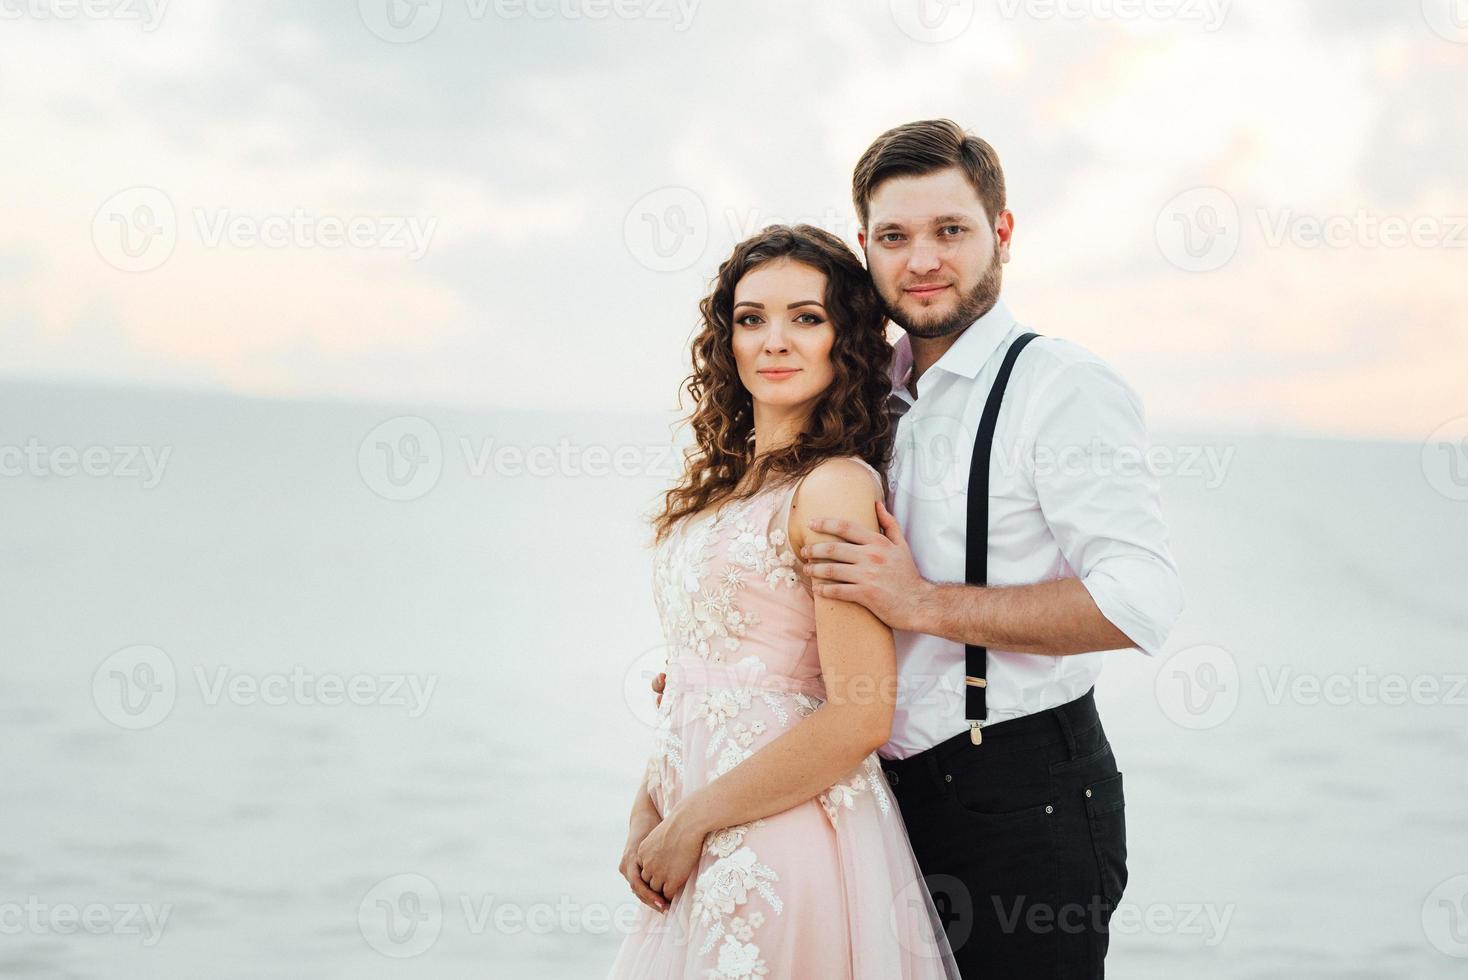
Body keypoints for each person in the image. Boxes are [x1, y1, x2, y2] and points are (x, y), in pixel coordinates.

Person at [655, 120, 1185, 978]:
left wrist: (926, 603)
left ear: (1002, 233)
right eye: (895, 237)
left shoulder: (1062, 388)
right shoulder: (867, 390)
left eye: (951, 230)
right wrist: (742, 668)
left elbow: (1138, 599)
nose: (923, 259)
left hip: (1021, 799)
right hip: (865, 799)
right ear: (866, 248)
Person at [607, 224, 961, 979]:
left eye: (806, 317)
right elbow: (703, 675)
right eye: (751, 318)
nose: (774, 340)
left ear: (847, 341)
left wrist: (693, 820)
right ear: (725, 341)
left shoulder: (831, 487)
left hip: (774, 838)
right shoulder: (724, 488)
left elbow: (861, 711)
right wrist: (650, 807)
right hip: (694, 828)